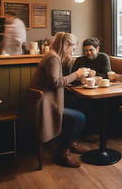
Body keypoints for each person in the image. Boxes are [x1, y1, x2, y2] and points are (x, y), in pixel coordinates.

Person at [30, 32, 89, 168]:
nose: (73, 51)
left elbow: (55, 81)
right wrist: (77, 74)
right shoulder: (53, 58)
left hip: (47, 101)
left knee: (77, 108)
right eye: (73, 48)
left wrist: (75, 76)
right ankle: (62, 152)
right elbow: (55, 83)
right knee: (79, 117)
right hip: (45, 105)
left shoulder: (54, 56)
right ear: (66, 45)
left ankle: (70, 143)